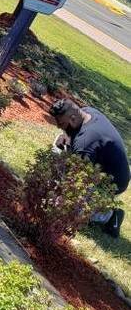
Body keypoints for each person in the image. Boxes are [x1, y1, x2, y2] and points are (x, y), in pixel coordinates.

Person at [50, 98, 129, 238]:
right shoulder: (88, 112)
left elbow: (74, 184)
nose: (60, 127)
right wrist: (66, 138)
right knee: (59, 145)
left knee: (71, 208)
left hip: (112, 184)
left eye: (62, 124)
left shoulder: (85, 143)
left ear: (73, 118)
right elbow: (72, 136)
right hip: (104, 167)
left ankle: (109, 216)